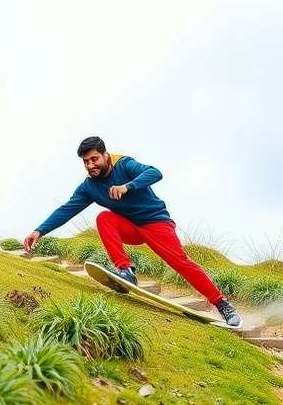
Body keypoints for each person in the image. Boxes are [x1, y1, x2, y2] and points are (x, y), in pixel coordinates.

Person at [23, 136, 242, 328]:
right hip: (130, 227)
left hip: (156, 223)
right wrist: (39, 231)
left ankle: (222, 304)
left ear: (105, 155)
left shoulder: (124, 164)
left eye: (94, 159)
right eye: (86, 162)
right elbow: (67, 210)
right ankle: (126, 270)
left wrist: (128, 186)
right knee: (104, 218)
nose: (91, 165)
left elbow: (155, 172)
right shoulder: (89, 187)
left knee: (180, 262)